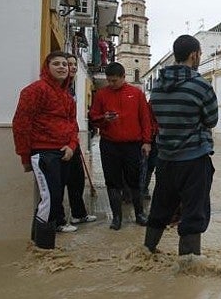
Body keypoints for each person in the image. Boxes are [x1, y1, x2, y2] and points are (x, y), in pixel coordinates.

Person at [144, 35, 218, 256]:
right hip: (194, 160)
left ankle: (148, 250)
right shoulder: (201, 85)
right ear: (194, 55)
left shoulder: (156, 87)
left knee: (160, 207)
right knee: (194, 213)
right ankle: (188, 268)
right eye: (200, 54)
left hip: (165, 159)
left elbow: (156, 117)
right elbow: (211, 120)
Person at [12, 51, 79, 248]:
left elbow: (72, 125)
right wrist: (25, 156)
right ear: (47, 68)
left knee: (55, 199)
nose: (61, 67)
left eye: (65, 65)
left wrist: (72, 146)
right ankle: (44, 249)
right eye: (56, 64)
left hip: (64, 153)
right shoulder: (34, 91)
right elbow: (21, 124)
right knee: (49, 200)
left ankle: (39, 245)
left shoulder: (68, 97)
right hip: (43, 153)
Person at [89, 62, 152, 230]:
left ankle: (139, 214)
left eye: (114, 80)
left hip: (133, 145)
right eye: (109, 80)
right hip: (109, 145)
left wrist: (147, 142)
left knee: (135, 181)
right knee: (112, 182)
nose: (111, 84)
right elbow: (93, 117)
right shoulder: (102, 95)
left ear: (124, 77)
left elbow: (145, 119)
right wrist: (104, 118)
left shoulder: (136, 94)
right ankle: (116, 217)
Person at [56, 54, 96, 230]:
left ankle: (79, 214)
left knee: (77, 179)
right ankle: (58, 220)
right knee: (57, 184)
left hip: (72, 140)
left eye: (72, 64)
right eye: (68, 64)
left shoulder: (70, 88)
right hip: (58, 142)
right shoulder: (58, 88)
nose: (71, 67)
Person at [140, 103, 158, 200]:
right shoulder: (150, 104)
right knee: (145, 164)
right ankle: (141, 189)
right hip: (147, 137)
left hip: (155, 136)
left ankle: (144, 188)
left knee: (150, 164)